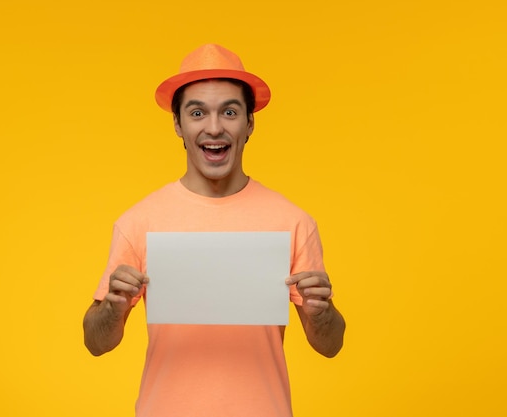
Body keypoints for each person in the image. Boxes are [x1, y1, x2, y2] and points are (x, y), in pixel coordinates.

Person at [83, 44, 346, 417]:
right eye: (196, 112)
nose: (214, 127)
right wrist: (112, 306)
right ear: (178, 125)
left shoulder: (293, 222)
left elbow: (330, 345)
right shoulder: (138, 222)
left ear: (250, 123)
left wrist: (322, 312)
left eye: (230, 111)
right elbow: (96, 342)